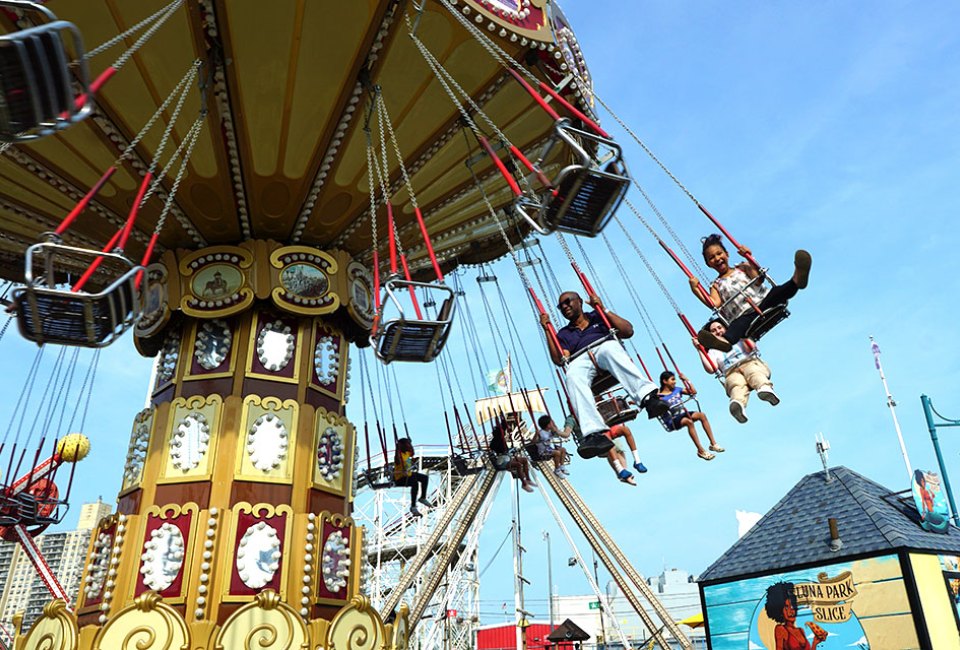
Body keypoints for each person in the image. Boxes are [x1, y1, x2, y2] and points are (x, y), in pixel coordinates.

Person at [540, 291, 669, 458]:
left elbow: (627, 331)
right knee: (571, 374)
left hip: (603, 347)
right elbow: (559, 359)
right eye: (561, 306)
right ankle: (594, 433)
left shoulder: (597, 316)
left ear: (579, 301)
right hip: (580, 358)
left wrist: (602, 308)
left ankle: (647, 398)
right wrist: (547, 331)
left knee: (611, 349)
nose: (564, 307)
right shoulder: (565, 333)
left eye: (567, 302)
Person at [691, 234, 811, 351]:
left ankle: (797, 279)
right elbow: (713, 303)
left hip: (763, 302)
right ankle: (724, 341)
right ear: (708, 264)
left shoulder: (742, 267)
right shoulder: (716, 285)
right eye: (711, 258)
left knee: (777, 292)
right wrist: (696, 289)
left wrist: (750, 258)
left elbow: (758, 279)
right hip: (744, 316)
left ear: (727, 254)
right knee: (736, 326)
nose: (717, 258)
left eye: (719, 253)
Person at [696, 318, 779, 423]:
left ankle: (764, 388)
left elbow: (751, 347)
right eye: (713, 331)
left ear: (726, 328)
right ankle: (737, 405)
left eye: (719, 328)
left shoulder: (736, 338)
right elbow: (711, 369)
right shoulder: (712, 350)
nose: (718, 331)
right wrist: (700, 349)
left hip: (748, 362)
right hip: (731, 372)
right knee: (735, 384)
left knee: (753, 372)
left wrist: (743, 336)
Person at [657, 371, 724, 461]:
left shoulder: (677, 389)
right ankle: (700, 450)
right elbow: (648, 404)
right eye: (672, 379)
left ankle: (713, 443)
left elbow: (693, 392)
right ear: (665, 381)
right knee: (688, 422)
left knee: (702, 415)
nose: (675, 382)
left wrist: (687, 380)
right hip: (672, 419)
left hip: (682, 414)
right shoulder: (659, 396)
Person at [764, 582, 827, 650]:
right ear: (780, 611)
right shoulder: (780, 629)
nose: (791, 611)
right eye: (786, 607)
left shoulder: (801, 630)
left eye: (792, 606)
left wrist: (814, 643)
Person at [489, 420, 536, 493]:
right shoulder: (496, 442)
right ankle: (524, 484)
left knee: (524, 460)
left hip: (507, 458)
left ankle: (528, 479)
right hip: (502, 462)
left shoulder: (501, 440)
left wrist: (502, 420)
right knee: (518, 465)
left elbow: (502, 427)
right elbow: (498, 451)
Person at [393, 437, 434, 516]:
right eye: (407, 444)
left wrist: (410, 443)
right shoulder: (399, 456)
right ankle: (413, 507)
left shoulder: (407, 453)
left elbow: (412, 452)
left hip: (409, 474)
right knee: (415, 483)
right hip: (400, 478)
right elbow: (397, 458)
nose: (409, 446)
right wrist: (397, 447)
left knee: (424, 478)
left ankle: (423, 498)